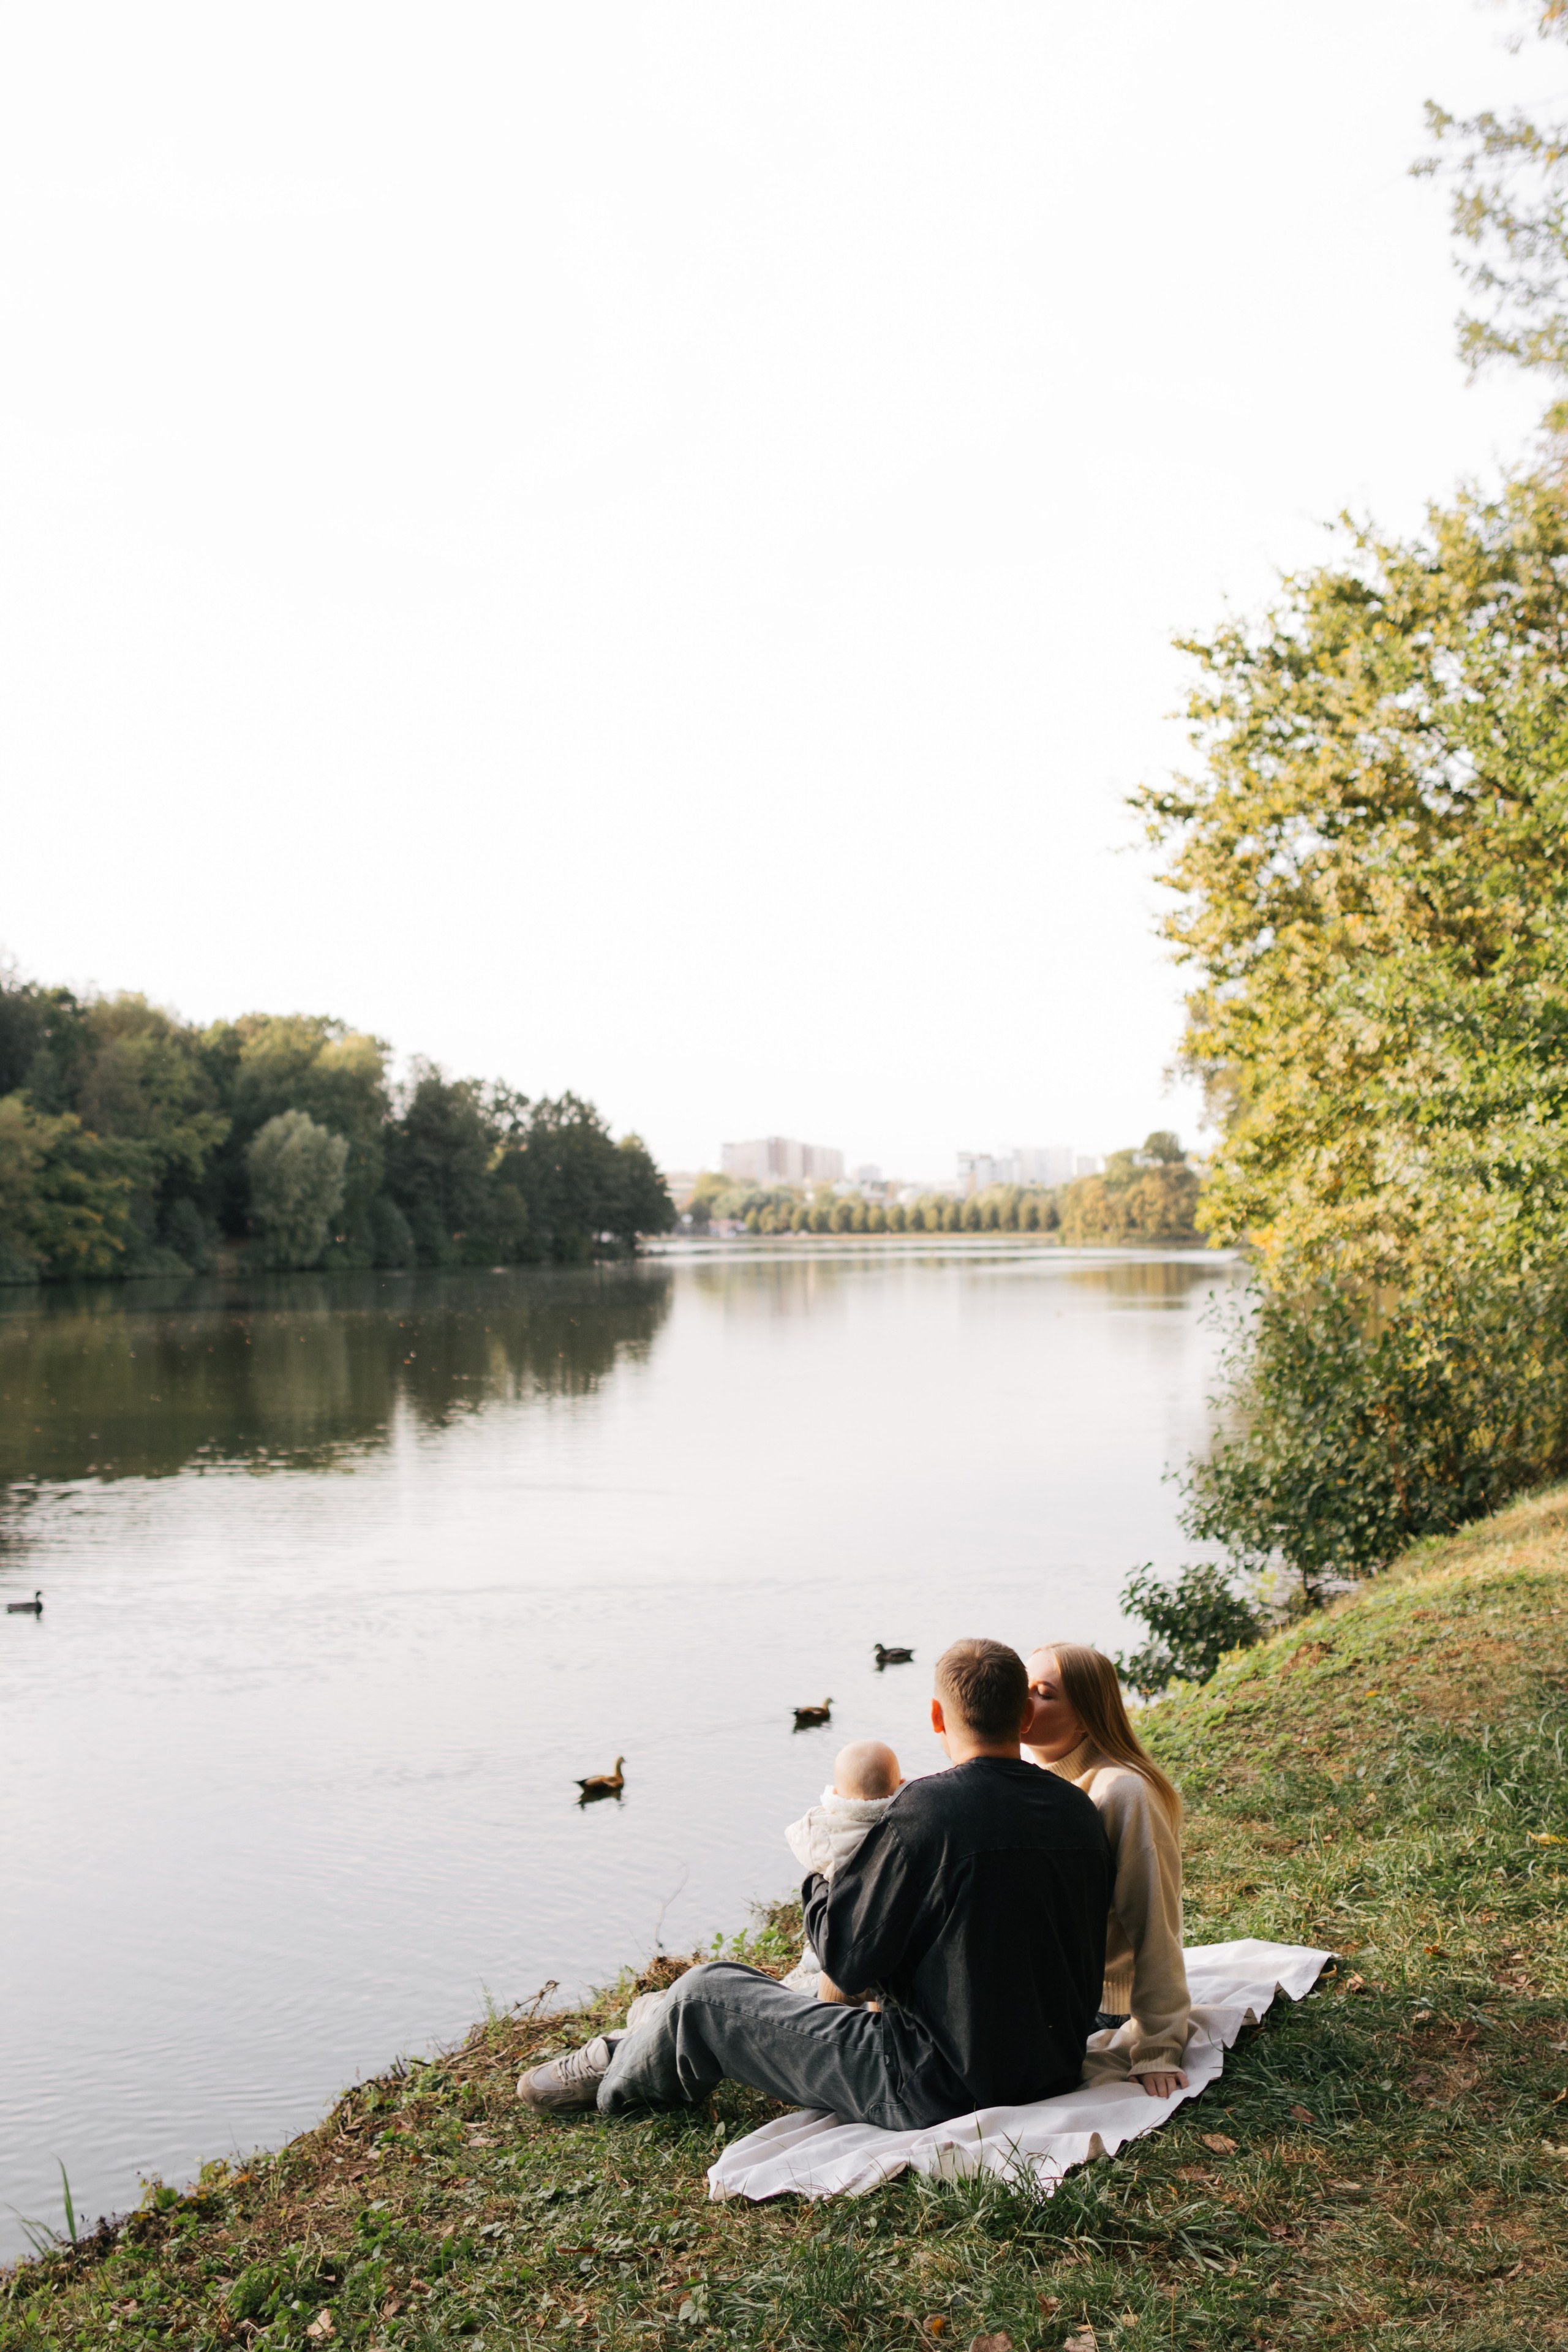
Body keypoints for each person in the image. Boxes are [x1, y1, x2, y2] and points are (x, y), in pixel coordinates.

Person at [517, 1638, 1112, 2126]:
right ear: (1025, 1715)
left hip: (934, 2085)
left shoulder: (924, 1813)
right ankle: (643, 2032)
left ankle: (617, 2076)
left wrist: (829, 1863)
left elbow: (846, 1965)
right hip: (1049, 2069)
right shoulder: (1079, 1813)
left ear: (936, 1716)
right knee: (736, 1995)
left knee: (706, 1994)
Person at [1021, 1642, 1191, 2098]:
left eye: (1044, 1693)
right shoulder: (1019, 1777)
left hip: (1100, 2006)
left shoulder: (1122, 1792)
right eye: (1022, 1687)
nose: (1025, 1702)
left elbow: (1156, 1922)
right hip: (1049, 1988)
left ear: (1085, 1717)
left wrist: (1157, 2046)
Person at [780, 1736, 904, 2000]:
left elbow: (797, 1837)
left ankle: (826, 2020)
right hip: (889, 1945)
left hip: (844, 1939)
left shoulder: (825, 1831)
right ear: (900, 1785)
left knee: (833, 1986)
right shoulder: (905, 1826)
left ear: (835, 1795)